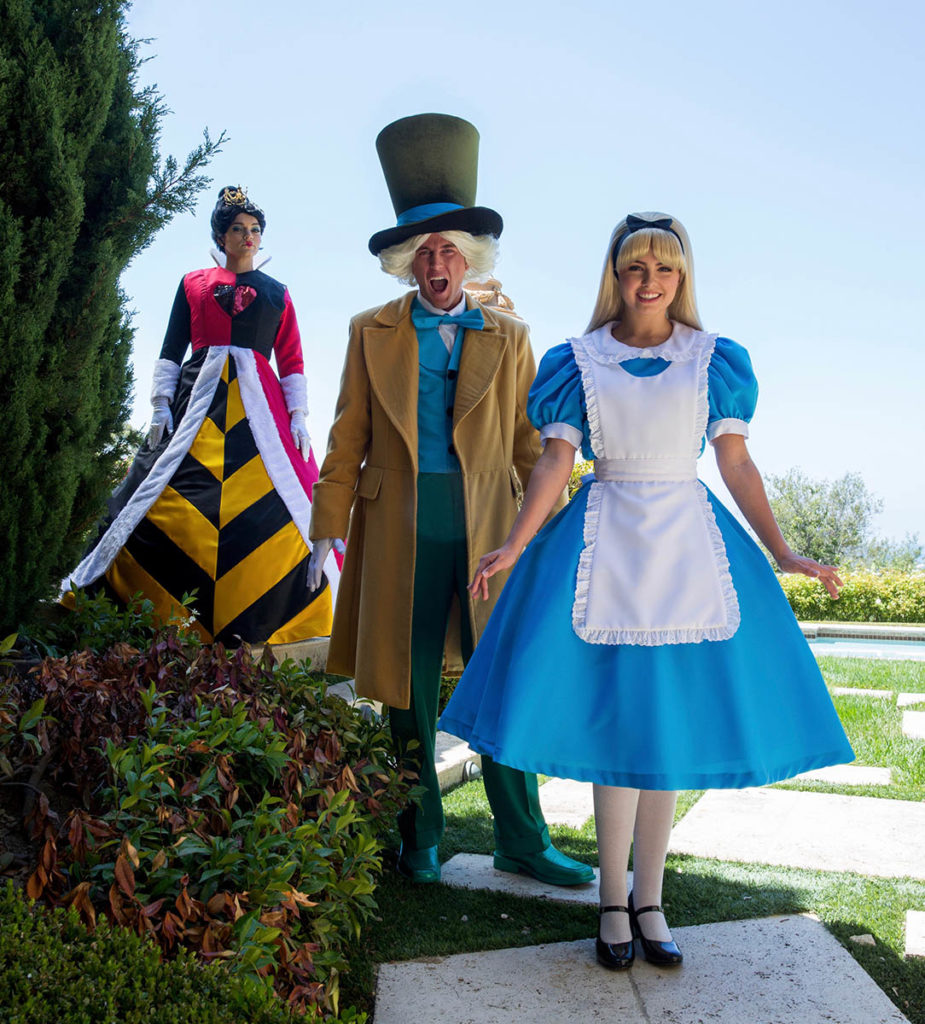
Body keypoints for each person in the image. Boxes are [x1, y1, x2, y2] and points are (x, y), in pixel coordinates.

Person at [439, 212, 854, 967]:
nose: (650, 281)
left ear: (681, 276)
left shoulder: (714, 359)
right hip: (601, 545)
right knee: (620, 736)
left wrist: (783, 550)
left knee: (664, 735)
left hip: (688, 549)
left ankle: (651, 901)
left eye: (664, 268)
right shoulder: (577, 359)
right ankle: (611, 903)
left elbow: (734, 463)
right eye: (636, 267)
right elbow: (554, 462)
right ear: (616, 276)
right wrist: (516, 543)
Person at [307, 114, 593, 887]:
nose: (436, 263)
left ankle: (521, 838)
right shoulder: (368, 330)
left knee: (500, 676)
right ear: (406, 263)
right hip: (394, 526)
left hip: (489, 526)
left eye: (448, 250)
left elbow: (533, 449)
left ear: (469, 257)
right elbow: (346, 435)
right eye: (423, 252)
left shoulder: (511, 335)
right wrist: (325, 527)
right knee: (405, 690)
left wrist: (552, 533)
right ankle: (419, 835)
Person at [68, 186, 336, 645]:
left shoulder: (278, 293)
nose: (248, 237)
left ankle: (290, 605)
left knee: (288, 499)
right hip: (197, 397)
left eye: (255, 230)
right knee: (154, 486)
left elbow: (291, 358)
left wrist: (297, 413)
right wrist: (160, 402)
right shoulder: (193, 283)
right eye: (239, 229)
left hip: (262, 408)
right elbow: (172, 345)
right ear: (221, 235)